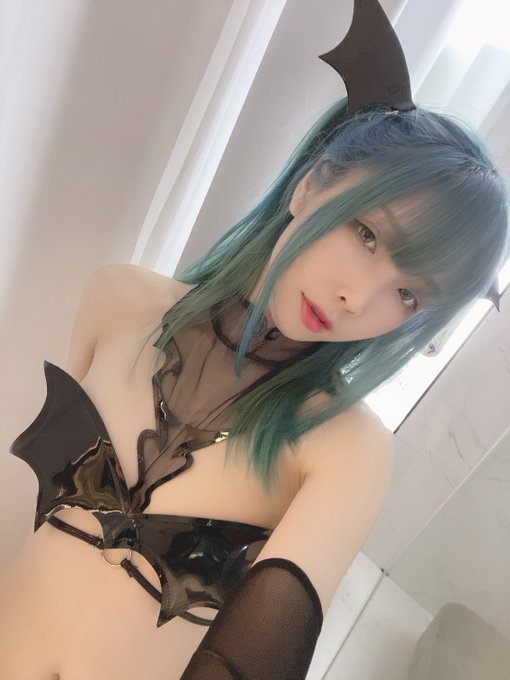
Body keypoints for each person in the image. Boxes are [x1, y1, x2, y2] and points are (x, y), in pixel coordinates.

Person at [1, 1, 508, 678]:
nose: (359, 298)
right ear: (310, 184)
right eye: (367, 233)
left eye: (409, 294)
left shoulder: (344, 452)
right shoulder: (118, 299)